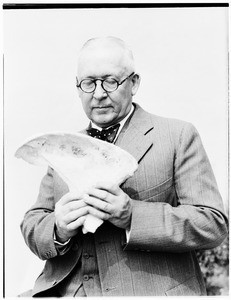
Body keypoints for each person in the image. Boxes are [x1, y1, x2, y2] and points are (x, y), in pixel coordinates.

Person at [20, 36, 228, 297]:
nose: (98, 93)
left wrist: (132, 216)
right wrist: (59, 228)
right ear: (77, 87)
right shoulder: (61, 148)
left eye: (110, 81)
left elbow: (212, 224)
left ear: (134, 83)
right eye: (88, 83)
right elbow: (31, 224)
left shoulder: (178, 135)